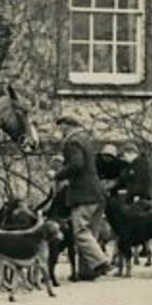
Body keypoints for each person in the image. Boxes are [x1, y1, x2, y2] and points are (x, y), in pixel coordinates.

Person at [53, 115, 109, 281]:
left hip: (83, 194)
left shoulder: (72, 141)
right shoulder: (85, 139)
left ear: (66, 126)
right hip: (97, 193)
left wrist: (57, 174)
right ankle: (88, 272)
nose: (60, 131)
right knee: (91, 233)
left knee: (80, 232)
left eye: (60, 127)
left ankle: (101, 261)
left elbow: (77, 165)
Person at [114, 141, 152, 208]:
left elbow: (138, 181)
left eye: (123, 155)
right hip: (143, 196)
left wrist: (134, 196)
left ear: (129, 152)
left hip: (140, 197)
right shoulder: (139, 163)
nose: (123, 159)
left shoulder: (139, 164)